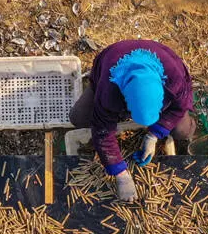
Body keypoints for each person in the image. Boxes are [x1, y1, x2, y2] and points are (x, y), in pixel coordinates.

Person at [69, 39, 196, 202]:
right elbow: (102, 132)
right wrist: (121, 174)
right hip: (109, 65)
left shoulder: (175, 78)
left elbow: (179, 107)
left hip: (159, 63)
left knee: (183, 131)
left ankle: (167, 122)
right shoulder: (109, 89)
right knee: (78, 118)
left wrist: (155, 135)